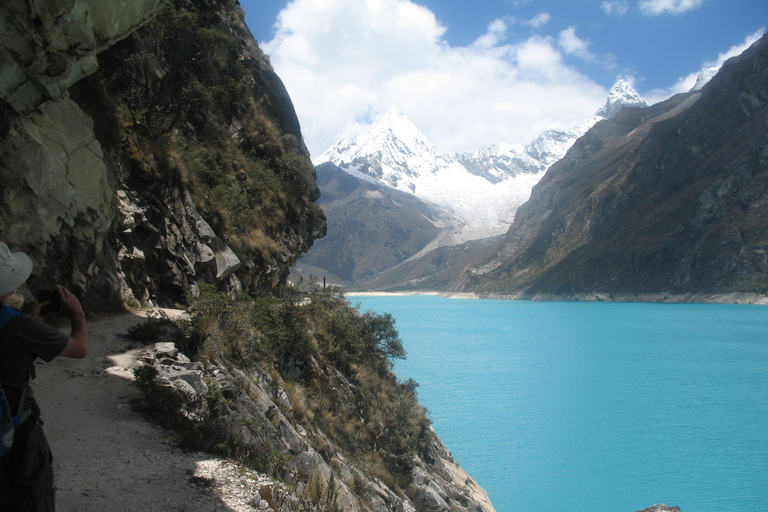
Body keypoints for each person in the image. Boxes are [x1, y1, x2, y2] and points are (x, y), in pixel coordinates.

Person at [0, 241, 88, 510]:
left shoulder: (21, 324)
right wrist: (78, 314)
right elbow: (79, 349)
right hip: (16, 432)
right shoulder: (19, 326)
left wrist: (31, 319)